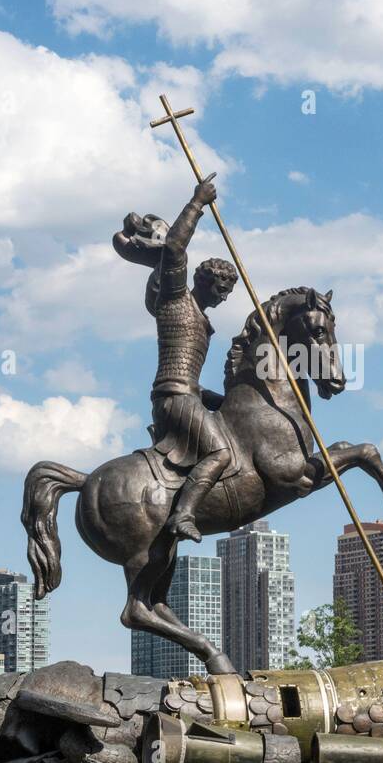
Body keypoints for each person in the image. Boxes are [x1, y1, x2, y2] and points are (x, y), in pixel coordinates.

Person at [113, 175, 239, 541]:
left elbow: (195, 381)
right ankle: (183, 515)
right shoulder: (175, 298)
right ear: (202, 280)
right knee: (221, 452)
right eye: (221, 288)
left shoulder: (203, 321)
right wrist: (197, 202)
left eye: (229, 292)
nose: (224, 297)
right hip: (173, 397)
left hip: (188, 395)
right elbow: (175, 249)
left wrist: (223, 400)